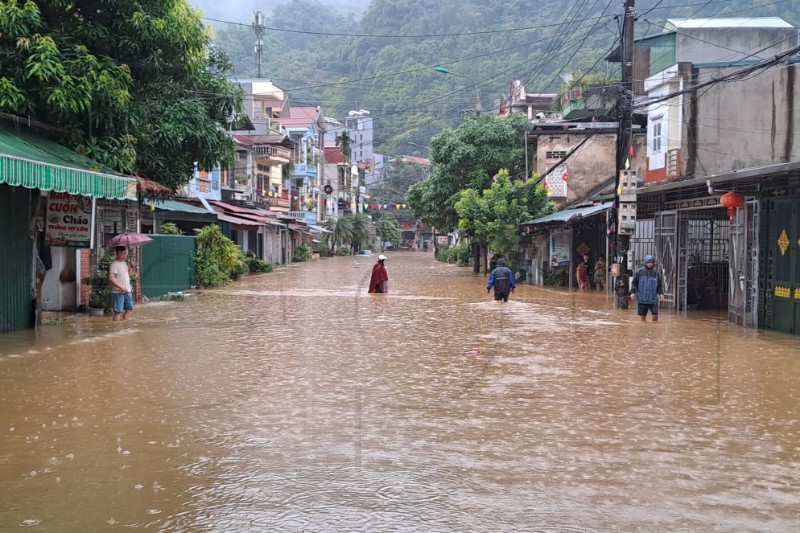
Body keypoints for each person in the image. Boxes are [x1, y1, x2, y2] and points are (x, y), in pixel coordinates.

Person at [630, 255, 665, 322]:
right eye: (648, 262)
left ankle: (653, 329)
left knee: (655, 315)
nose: (650, 264)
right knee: (642, 317)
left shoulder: (656, 273)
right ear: (645, 262)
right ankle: (643, 330)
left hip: (653, 299)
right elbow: (634, 283)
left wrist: (661, 293)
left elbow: (659, 285)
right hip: (642, 299)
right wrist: (632, 292)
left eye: (651, 262)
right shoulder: (639, 272)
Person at [108, 246, 133, 321]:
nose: (124, 255)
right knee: (118, 311)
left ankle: (125, 327)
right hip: (118, 292)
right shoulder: (114, 264)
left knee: (129, 310)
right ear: (117, 253)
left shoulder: (124, 263)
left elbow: (128, 275)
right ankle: (116, 329)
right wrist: (121, 287)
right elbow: (111, 278)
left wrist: (130, 267)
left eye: (125, 253)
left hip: (127, 291)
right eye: (122, 254)